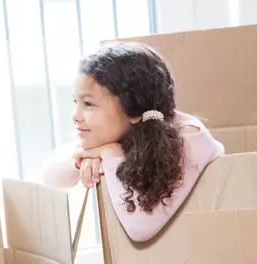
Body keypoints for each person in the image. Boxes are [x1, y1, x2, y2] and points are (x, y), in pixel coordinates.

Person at [42, 42, 224, 242]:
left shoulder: (190, 138)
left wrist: (111, 155)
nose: (75, 116)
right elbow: (51, 177)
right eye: (76, 102)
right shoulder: (120, 130)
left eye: (89, 104)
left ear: (134, 111)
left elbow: (141, 228)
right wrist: (81, 160)